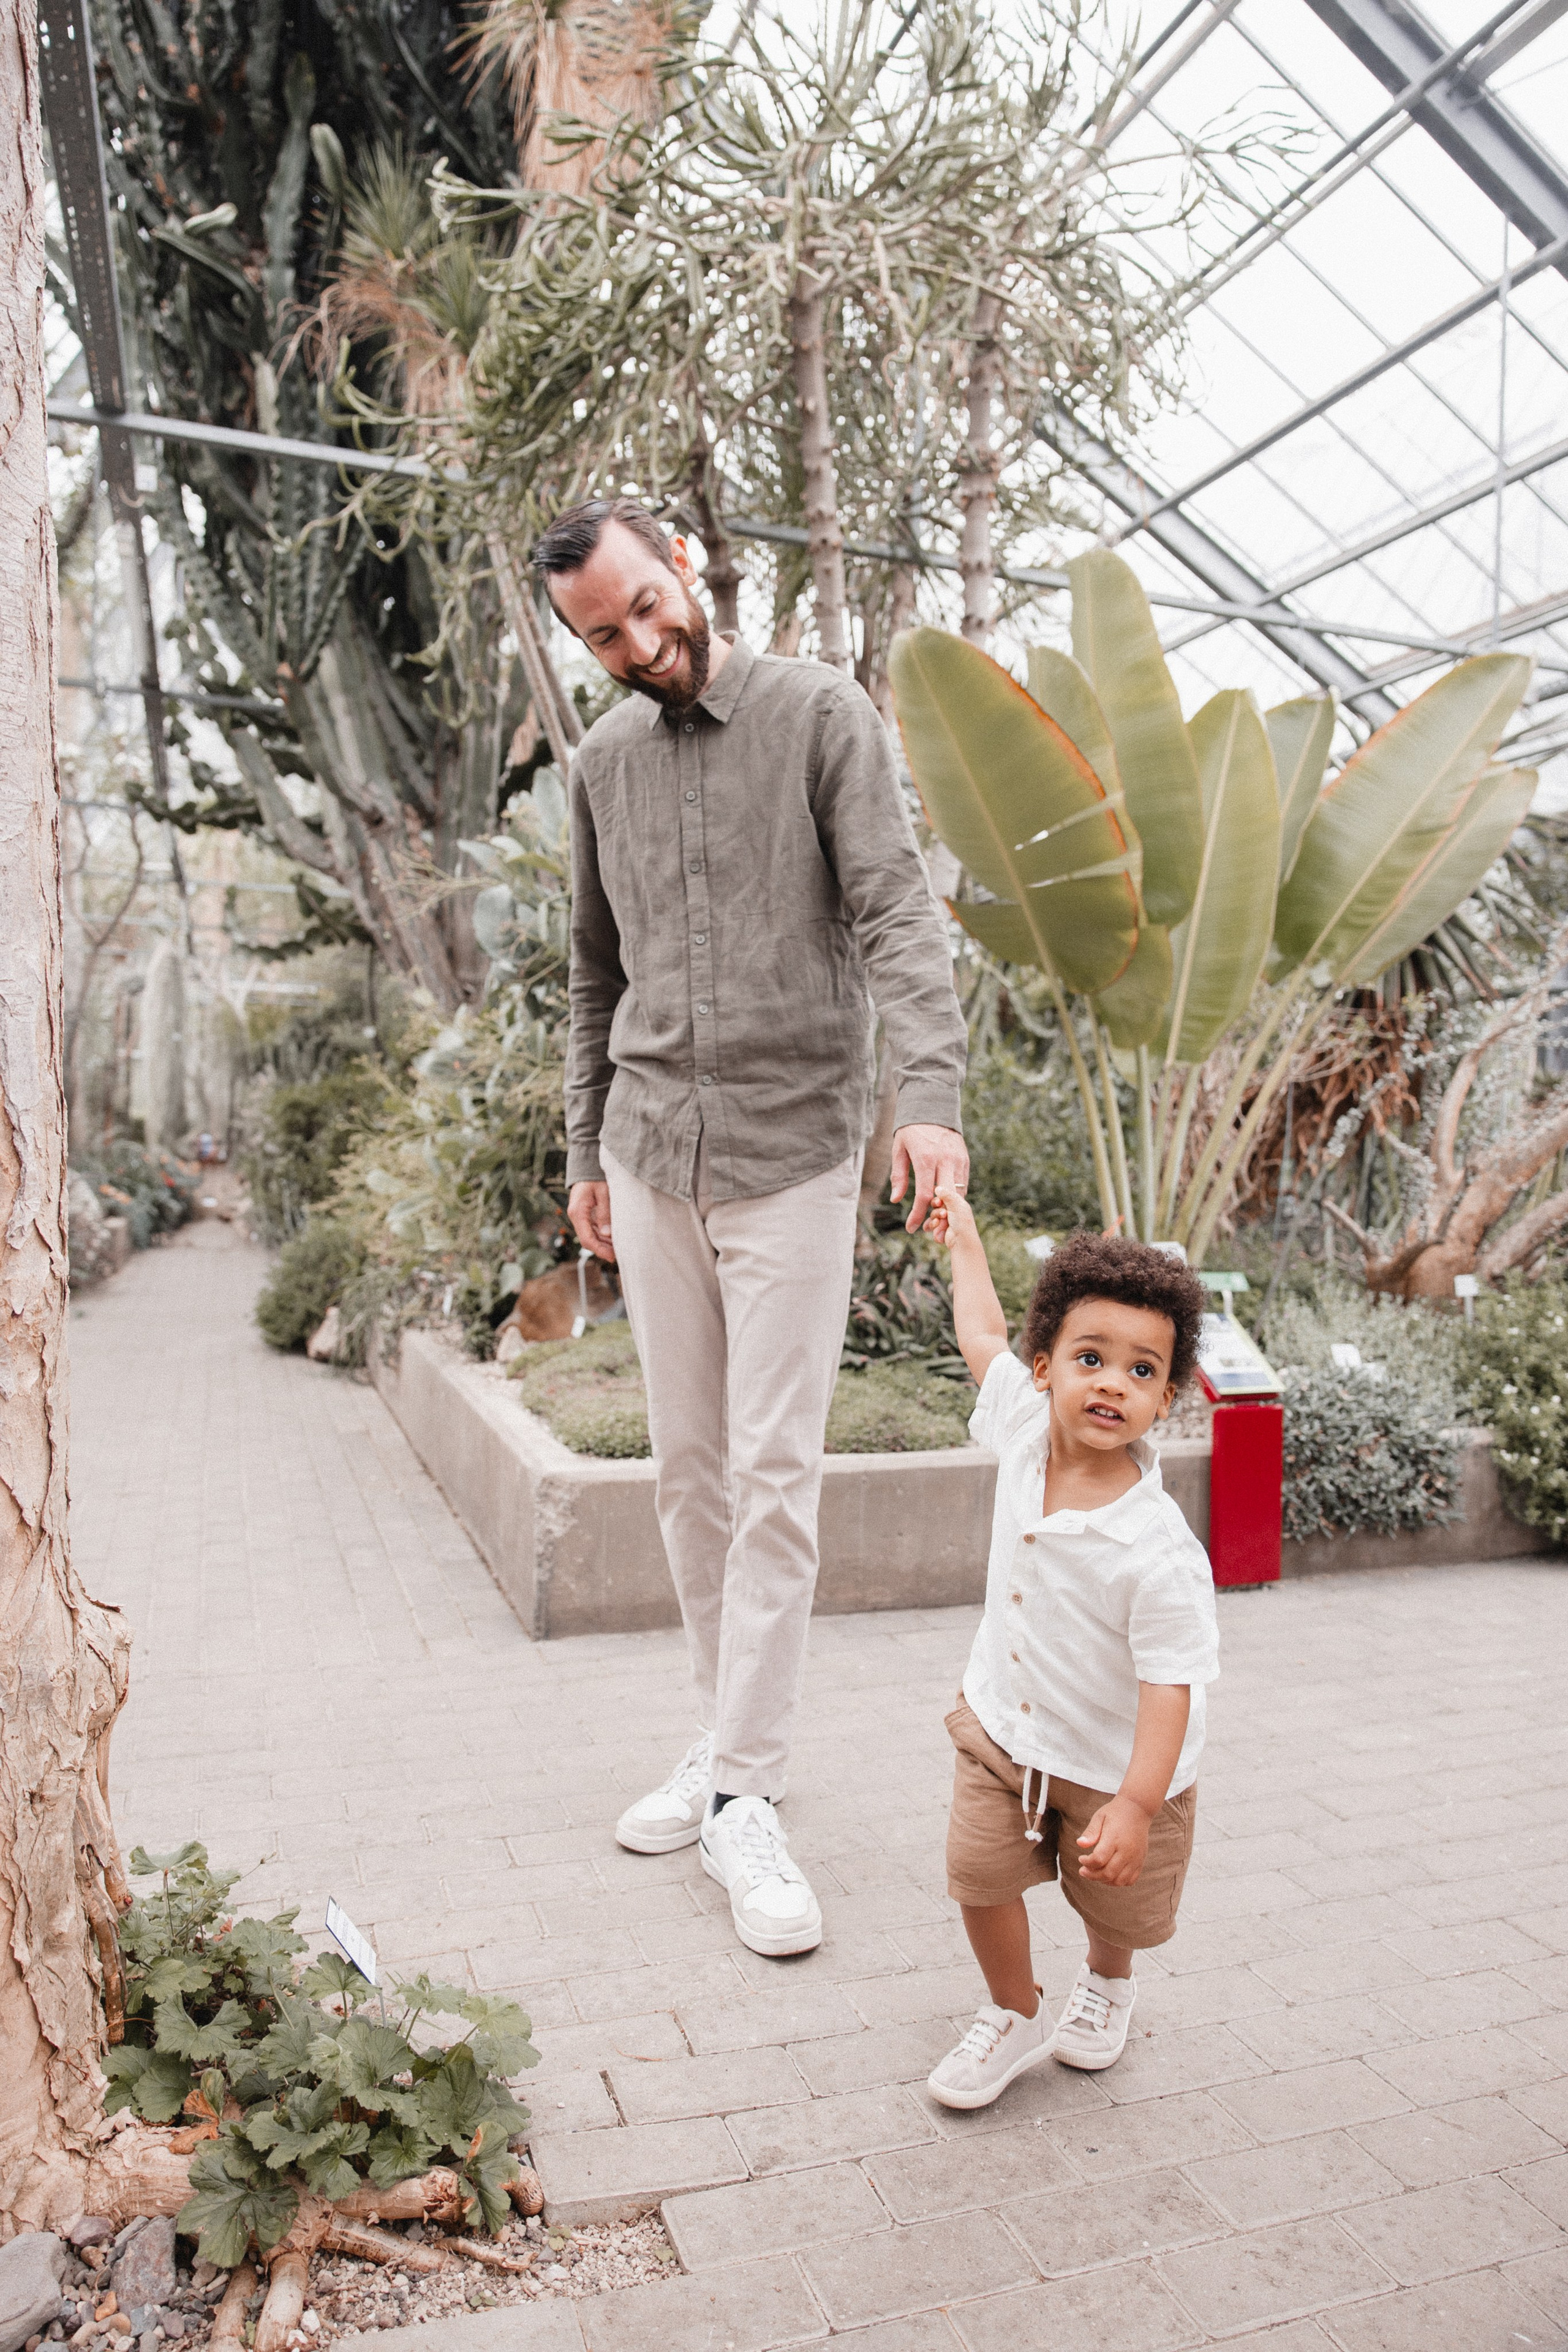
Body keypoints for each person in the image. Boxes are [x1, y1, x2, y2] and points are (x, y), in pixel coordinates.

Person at [533, 497, 968, 1958]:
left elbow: (900, 914)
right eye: (607, 633)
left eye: (652, 604)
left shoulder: (815, 714)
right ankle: (725, 1748)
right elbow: (593, 978)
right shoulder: (598, 764)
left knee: (776, 1479)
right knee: (687, 1479)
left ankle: (748, 1794)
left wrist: (928, 1097)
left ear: (678, 563)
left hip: (790, 1155)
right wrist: (588, 1140)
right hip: (653, 1154)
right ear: (580, 641)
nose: (645, 643)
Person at [920, 1207, 1217, 2105]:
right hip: (1002, 1726)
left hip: (1116, 1762)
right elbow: (980, 1331)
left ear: (1165, 1399)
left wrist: (1135, 1803)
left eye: (1141, 1370)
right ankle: (1014, 2012)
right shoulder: (1020, 1426)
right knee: (976, 1874)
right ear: (1044, 1368)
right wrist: (965, 1238)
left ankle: (1107, 1981)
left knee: (1112, 1900)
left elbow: (1172, 1686)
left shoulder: (1158, 1549)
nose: (1111, 1384)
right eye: (1090, 1358)